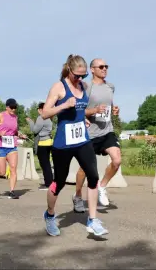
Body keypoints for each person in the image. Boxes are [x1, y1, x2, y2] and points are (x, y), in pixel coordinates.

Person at [40, 54, 109, 237]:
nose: (80, 79)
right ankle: (50, 215)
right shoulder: (58, 87)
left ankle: (92, 220)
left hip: (82, 140)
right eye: (77, 75)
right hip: (63, 143)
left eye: (83, 75)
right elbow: (45, 113)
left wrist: (87, 116)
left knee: (93, 176)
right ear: (69, 70)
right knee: (59, 182)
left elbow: (81, 110)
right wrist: (63, 106)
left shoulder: (83, 86)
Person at [73, 58, 121, 212]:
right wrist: (94, 111)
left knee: (117, 160)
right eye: (101, 66)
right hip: (90, 133)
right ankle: (78, 195)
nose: (104, 69)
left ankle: (102, 186)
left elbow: (110, 106)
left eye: (106, 66)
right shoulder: (86, 87)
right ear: (92, 69)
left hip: (107, 130)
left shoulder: (110, 87)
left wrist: (115, 111)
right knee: (84, 169)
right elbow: (79, 110)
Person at [0, 98, 27, 199]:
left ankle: (12, 191)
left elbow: (14, 131)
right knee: (2, 172)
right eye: (12, 107)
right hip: (0, 145)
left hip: (12, 146)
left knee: (13, 168)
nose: (14, 109)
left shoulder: (15, 117)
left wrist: (20, 135)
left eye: (15, 107)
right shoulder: (1, 115)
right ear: (7, 107)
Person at [26, 102, 54, 191]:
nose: (38, 110)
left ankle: (48, 184)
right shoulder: (49, 117)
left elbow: (34, 130)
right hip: (49, 142)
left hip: (42, 143)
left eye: (38, 108)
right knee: (47, 164)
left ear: (41, 109)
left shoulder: (41, 117)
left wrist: (30, 122)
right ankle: (50, 182)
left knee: (44, 164)